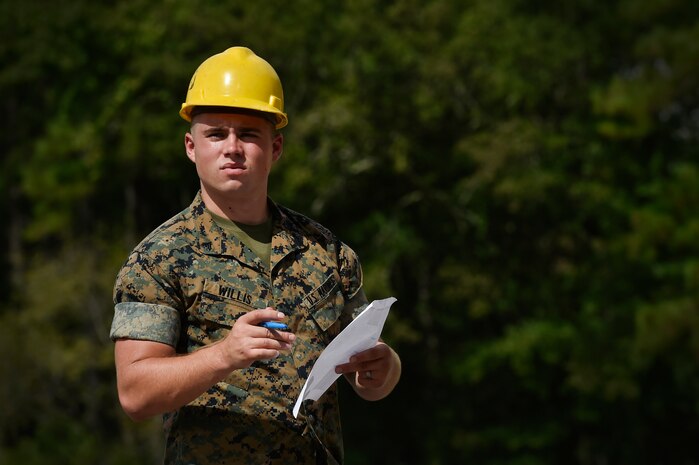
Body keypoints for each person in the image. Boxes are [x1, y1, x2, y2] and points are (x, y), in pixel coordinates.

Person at [110, 46, 401, 465]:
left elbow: (371, 378)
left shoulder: (327, 252)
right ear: (191, 147)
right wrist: (224, 355)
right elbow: (135, 393)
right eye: (216, 134)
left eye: (248, 134)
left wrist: (384, 368)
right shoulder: (158, 259)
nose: (232, 147)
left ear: (275, 147)